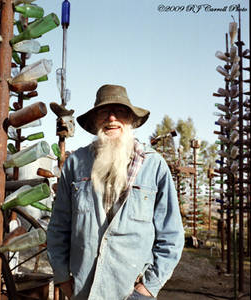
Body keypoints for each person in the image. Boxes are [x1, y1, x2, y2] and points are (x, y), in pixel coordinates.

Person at [47, 84, 184, 300]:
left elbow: (172, 235)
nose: (112, 118)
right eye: (104, 112)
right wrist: (62, 277)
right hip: (84, 289)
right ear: (94, 121)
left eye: (120, 112)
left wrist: (149, 286)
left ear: (130, 119)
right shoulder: (75, 164)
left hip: (132, 290)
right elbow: (58, 227)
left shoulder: (154, 166)